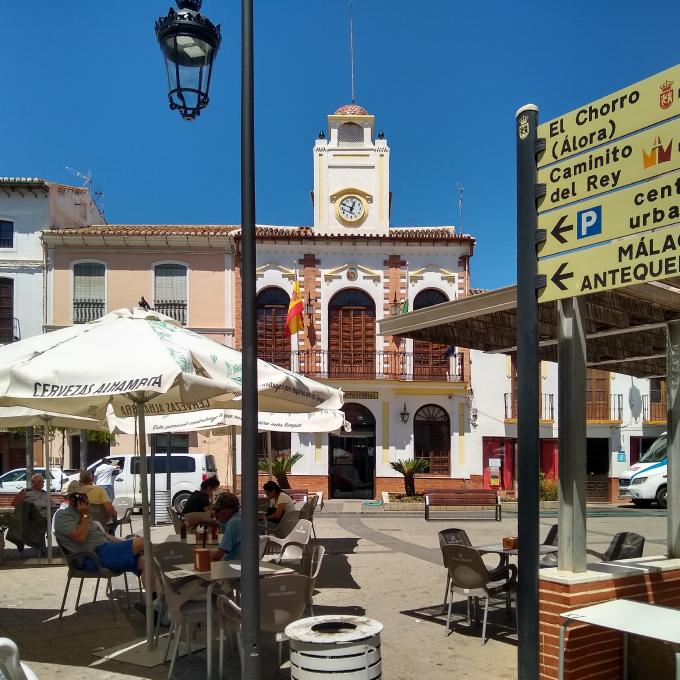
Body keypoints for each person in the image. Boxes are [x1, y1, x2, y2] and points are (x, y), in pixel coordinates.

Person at [54, 480, 147, 580]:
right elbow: (80, 537)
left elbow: (103, 536)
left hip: (105, 551)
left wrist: (124, 542)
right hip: (93, 557)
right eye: (82, 495)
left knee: (146, 561)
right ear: (72, 498)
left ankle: (156, 594)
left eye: (85, 494)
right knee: (144, 543)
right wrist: (84, 515)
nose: (86, 498)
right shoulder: (63, 515)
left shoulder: (84, 514)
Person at [209, 493, 241, 561]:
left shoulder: (233, 523)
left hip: (231, 566)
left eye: (217, 511)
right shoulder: (241, 518)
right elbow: (218, 523)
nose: (215, 514)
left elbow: (218, 555)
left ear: (227, 510)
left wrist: (199, 553)